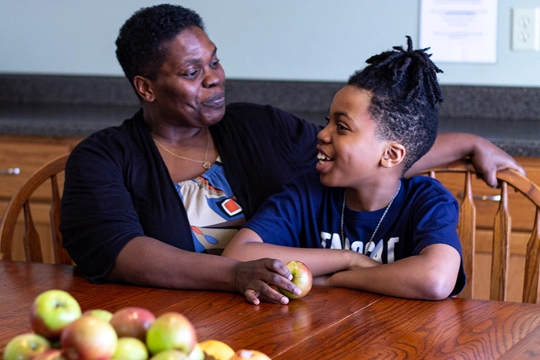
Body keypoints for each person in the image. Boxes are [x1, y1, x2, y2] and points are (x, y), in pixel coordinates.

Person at [60, 4, 521, 305]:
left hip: (283, 314)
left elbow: (360, 157)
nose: (215, 78)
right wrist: (237, 275)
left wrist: (465, 142)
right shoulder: (103, 158)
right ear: (146, 87)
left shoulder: (257, 125)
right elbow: (124, 254)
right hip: (171, 324)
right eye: (192, 71)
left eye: (215, 61)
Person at [223, 36, 464, 301]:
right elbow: (237, 255)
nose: (322, 134)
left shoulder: (428, 200)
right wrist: (349, 258)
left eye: (341, 127)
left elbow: (435, 280)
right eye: (327, 122)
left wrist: (337, 279)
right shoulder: (307, 192)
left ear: (391, 154)